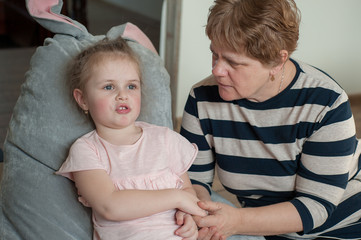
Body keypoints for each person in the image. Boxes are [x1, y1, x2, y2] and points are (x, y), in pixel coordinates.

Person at [180, 0, 361, 239]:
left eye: (233, 62)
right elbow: (194, 180)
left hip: (343, 228)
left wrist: (236, 221)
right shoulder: (201, 98)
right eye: (215, 54)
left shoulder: (325, 103)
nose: (217, 70)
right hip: (262, 230)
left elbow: (316, 207)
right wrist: (200, 214)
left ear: (277, 61)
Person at [56, 37, 207, 240]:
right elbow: (109, 206)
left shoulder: (164, 139)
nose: (122, 95)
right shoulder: (87, 150)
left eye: (131, 86)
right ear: (83, 99)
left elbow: (187, 191)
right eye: (109, 87)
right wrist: (177, 198)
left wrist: (187, 214)